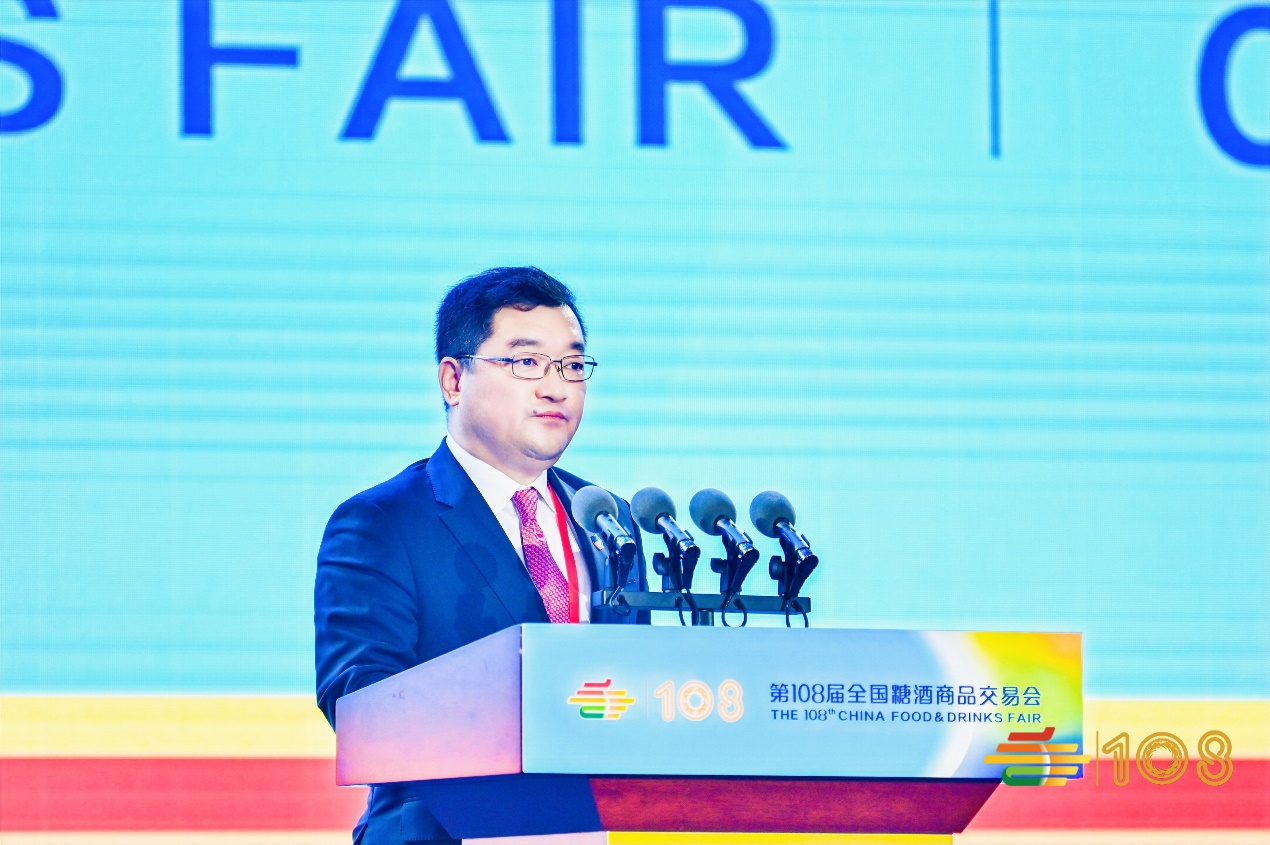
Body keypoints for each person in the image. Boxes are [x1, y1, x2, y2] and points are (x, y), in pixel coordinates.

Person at [314, 266, 648, 845]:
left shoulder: (607, 519)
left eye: (572, 365)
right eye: (526, 362)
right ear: (453, 379)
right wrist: (538, 708)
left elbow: (639, 688)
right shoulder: (382, 522)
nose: (555, 387)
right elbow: (360, 707)